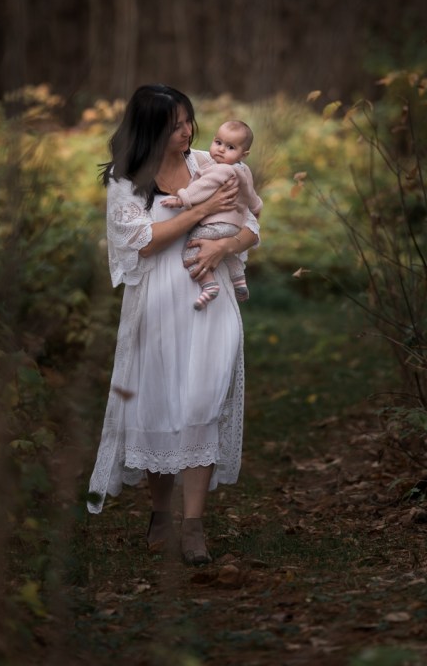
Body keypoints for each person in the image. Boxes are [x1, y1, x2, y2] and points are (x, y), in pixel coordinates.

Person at [86, 85, 260, 566]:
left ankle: (193, 526)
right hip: (158, 302)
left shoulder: (208, 163)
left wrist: (224, 246)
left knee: (203, 401)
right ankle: (161, 513)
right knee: (160, 405)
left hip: (211, 298)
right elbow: (143, 241)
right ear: (150, 130)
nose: (188, 132)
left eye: (188, 121)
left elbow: (251, 222)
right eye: (176, 125)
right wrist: (201, 211)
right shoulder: (127, 180)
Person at [161, 120, 263, 310]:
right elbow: (251, 196)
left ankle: (209, 285)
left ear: (244, 154)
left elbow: (203, 187)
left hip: (215, 224)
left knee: (192, 251)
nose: (221, 150)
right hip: (233, 227)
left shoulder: (221, 169)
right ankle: (239, 279)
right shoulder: (244, 170)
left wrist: (182, 199)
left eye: (230, 147)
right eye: (218, 142)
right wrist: (257, 207)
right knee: (225, 253)